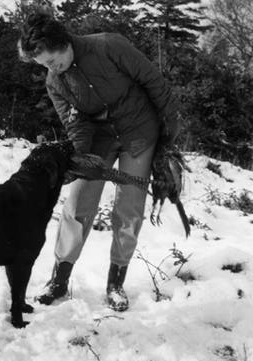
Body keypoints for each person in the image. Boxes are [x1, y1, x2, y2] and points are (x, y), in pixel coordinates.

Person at [18, 13, 181, 311]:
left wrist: (169, 133)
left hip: (139, 133)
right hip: (99, 139)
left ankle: (116, 282)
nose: (50, 69)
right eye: (43, 66)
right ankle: (59, 279)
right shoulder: (55, 82)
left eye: (52, 61)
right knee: (77, 205)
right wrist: (77, 159)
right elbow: (74, 125)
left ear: (63, 43)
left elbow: (153, 82)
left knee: (129, 208)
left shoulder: (109, 46)